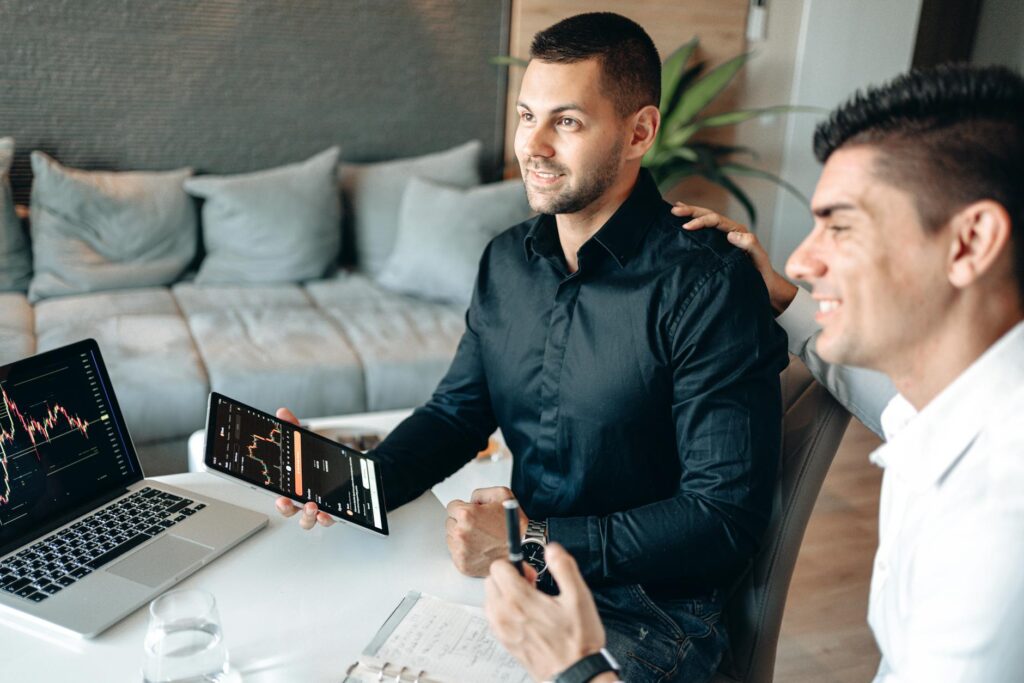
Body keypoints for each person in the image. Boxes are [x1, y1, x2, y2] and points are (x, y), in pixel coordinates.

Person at [276, 12, 788, 683]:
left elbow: (722, 520)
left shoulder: (709, 284)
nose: (533, 145)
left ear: (640, 132)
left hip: (647, 613)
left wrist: (532, 540)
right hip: (518, 576)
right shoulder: (506, 263)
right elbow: (457, 413)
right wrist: (350, 482)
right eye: (526, 116)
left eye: (567, 122)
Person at [485, 63, 1024, 682]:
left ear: (970, 241)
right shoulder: (955, 414)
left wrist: (577, 668)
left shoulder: (997, 524)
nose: (803, 258)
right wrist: (784, 300)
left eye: (841, 226)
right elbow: (895, 411)